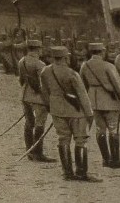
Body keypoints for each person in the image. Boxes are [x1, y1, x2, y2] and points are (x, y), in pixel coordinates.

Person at [40, 46, 99, 182]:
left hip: (56, 109)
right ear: (66, 57)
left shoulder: (45, 71)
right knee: (80, 140)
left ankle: (67, 173)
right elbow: (82, 95)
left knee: (63, 139)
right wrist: (89, 114)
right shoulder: (72, 73)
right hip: (76, 111)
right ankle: (81, 173)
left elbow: (44, 91)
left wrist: (50, 107)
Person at [80, 42, 120, 168]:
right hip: (110, 101)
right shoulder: (108, 66)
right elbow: (118, 86)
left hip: (93, 102)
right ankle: (115, 160)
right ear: (102, 52)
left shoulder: (85, 66)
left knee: (100, 130)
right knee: (113, 130)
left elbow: (82, 86)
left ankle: (105, 159)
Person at [17, 39, 54, 163]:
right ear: (38, 49)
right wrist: (48, 100)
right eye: (40, 48)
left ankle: (29, 151)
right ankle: (38, 153)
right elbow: (44, 85)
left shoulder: (21, 61)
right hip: (38, 98)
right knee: (39, 124)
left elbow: (21, 80)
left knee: (29, 123)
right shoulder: (40, 64)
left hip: (25, 96)